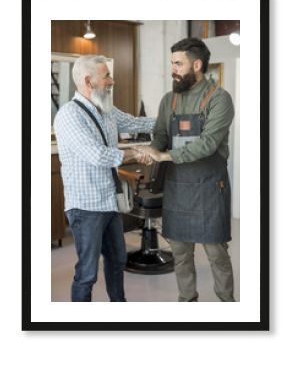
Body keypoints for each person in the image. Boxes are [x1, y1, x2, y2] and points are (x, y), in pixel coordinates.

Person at [135, 37, 235, 302]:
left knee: (216, 254)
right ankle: (187, 303)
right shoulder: (169, 100)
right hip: (178, 187)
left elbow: (208, 144)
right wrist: (151, 153)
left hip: (209, 187)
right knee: (180, 253)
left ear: (197, 64)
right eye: (172, 63)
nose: (173, 69)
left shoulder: (220, 99)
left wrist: (163, 155)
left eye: (178, 63)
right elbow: (159, 135)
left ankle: (228, 306)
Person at [53, 55, 155, 302]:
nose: (112, 80)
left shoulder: (106, 109)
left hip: (109, 202)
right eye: (106, 76)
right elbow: (97, 155)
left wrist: (171, 120)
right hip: (86, 207)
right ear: (89, 80)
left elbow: (135, 121)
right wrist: (135, 153)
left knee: (117, 260)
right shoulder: (69, 116)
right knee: (87, 273)